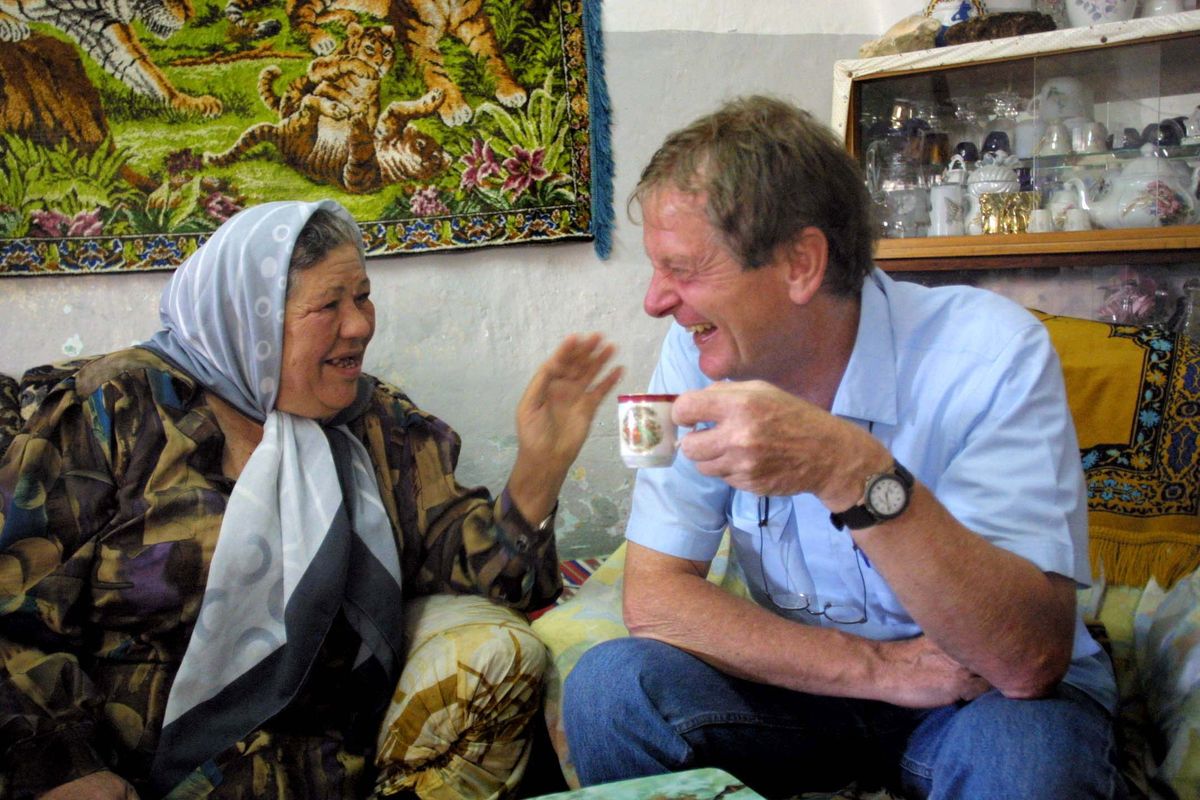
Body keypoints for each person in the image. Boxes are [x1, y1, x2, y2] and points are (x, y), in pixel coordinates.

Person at [561, 96, 1124, 799]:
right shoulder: (696, 353)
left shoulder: (989, 353)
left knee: (1029, 759)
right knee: (612, 690)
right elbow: (656, 598)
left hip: (983, 697)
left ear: (801, 263)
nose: (655, 301)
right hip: (818, 689)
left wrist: (849, 470)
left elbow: (1027, 660)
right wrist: (879, 672)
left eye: (683, 269)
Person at [0, 199, 621, 799]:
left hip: (326, 774)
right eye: (329, 304)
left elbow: (499, 582)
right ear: (250, 318)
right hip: (129, 774)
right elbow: (14, 613)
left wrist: (540, 469)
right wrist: (62, 769)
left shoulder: (373, 422)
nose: (360, 325)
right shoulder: (116, 411)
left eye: (363, 296)